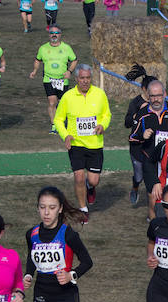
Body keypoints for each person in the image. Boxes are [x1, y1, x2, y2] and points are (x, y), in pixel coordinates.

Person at [53, 64, 111, 223]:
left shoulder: (99, 94)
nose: (85, 81)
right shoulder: (68, 96)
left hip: (95, 145)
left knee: (93, 180)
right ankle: (82, 208)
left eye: (88, 78)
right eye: (82, 78)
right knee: (78, 176)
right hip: (76, 144)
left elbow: (107, 114)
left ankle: (90, 187)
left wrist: (102, 125)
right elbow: (58, 119)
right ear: (76, 79)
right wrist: (65, 135)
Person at [128, 80, 168, 208]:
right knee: (150, 189)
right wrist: (143, 135)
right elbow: (132, 137)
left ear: (165, 94)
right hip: (149, 158)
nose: (156, 99)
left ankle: (166, 215)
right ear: (148, 96)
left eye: (159, 96)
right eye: (152, 96)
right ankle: (154, 219)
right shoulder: (142, 115)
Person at [30, 27, 77, 134]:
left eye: (56, 33)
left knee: (62, 104)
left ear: (60, 34)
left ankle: (63, 122)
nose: (54, 35)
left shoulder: (66, 48)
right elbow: (37, 60)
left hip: (62, 81)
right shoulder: (43, 48)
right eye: (52, 33)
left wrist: (69, 71)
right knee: (52, 102)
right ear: (49, 34)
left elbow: (74, 60)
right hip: (48, 79)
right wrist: (35, 70)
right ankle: (54, 125)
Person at [124, 64, 158, 206]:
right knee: (139, 176)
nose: (155, 95)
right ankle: (135, 187)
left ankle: (156, 203)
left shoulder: (158, 102)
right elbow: (127, 123)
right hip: (137, 145)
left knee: (154, 175)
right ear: (144, 89)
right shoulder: (136, 103)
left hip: (153, 145)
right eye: (152, 92)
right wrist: (139, 114)